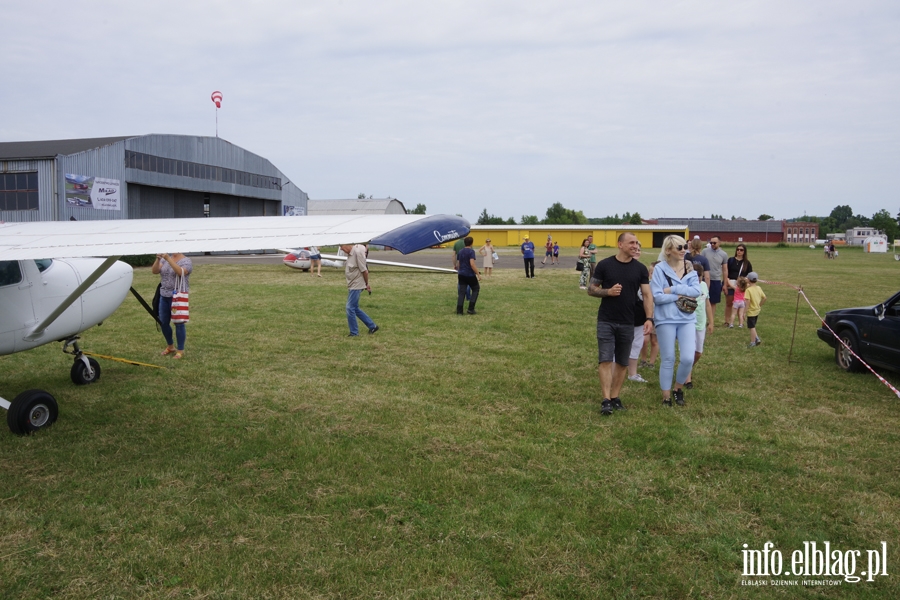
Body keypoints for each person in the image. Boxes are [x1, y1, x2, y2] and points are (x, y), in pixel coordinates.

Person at [588, 232, 653, 416]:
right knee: (606, 359)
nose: (635, 245)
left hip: (628, 321)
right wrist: (608, 292)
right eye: (631, 242)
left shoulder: (640, 268)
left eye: (636, 243)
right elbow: (591, 290)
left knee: (623, 362)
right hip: (606, 320)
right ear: (620, 244)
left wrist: (649, 318)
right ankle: (606, 399)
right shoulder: (605, 265)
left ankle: (615, 397)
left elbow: (647, 295)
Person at [651, 235, 701, 407]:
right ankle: (666, 396)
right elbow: (657, 297)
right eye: (679, 248)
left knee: (688, 357)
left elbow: (696, 291)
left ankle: (678, 388)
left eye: (684, 247)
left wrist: (672, 289)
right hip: (665, 319)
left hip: (687, 317)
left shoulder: (690, 268)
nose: (683, 251)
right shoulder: (659, 269)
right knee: (668, 358)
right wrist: (679, 295)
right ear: (668, 251)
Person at [152, 252, 193, 359]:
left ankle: (180, 350)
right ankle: (170, 346)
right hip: (163, 295)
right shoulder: (164, 259)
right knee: (163, 322)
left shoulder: (186, 261)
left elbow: (180, 272)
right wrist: (158, 259)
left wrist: (168, 259)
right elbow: (155, 271)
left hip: (178, 297)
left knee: (178, 323)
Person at [684, 262, 712, 390]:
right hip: (688, 323)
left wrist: (711, 322)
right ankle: (687, 379)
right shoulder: (685, 287)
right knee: (689, 353)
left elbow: (707, 304)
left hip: (701, 323)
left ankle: (686, 368)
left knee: (698, 353)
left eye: (699, 276)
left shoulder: (704, 286)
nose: (698, 279)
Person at [340, 242, 378, 337]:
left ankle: (354, 333)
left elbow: (365, 271)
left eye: (341, 247)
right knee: (354, 308)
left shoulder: (357, 252)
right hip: (352, 284)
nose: (341, 249)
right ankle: (372, 326)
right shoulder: (351, 254)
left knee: (349, 308)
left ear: (347, 244)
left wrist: (366, 284)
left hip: (356, 285)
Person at [627, 244, 649, 383]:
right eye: (634, 249)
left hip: (639, 313)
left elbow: (647, 295)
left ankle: (632, 373)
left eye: (639, 250)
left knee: (636, 343)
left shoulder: (642, 269)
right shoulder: (621, 268)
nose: (636, 252)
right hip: (623, 312)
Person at [701, 235, 728, 330]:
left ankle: (710, 321)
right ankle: (702, 319)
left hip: (716, 280)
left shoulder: (723, 254)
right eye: (711, 242)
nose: (712, 244)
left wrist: (725, 284)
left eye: (714, 243)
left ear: (719, 243)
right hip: (704, 280)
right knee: (702, 300)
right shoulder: (704, 252)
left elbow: (725, 270)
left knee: (713, 302)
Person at [724, 244, 752, 328]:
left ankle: (740, 323)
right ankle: (727, 321)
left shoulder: (747, 263)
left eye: (741, 250)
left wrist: (744, 283)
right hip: (730, 283)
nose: (739, 251)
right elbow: (726, 272)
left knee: (741, 304)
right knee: (729, 303)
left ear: (744, 252)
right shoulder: (731, 260)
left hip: (741, 286)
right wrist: (726, 284)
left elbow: (749, 275)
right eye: (738, 249)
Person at [639, 262, 660, 369]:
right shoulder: (646, 285)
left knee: (654, 341)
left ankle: (651, 362)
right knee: (644, 340)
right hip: (646, 316)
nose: (653, 274)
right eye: (652, 272)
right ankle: (643, 360)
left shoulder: (662, 286)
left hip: (658, 317)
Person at [456, 236, 481, 314]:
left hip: (461, 274)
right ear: (471, 243)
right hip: (469, 274)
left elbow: (458, 263)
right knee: (476, 288)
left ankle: (459, 310)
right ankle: (471, 308)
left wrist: (459, 271)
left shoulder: (460, 251)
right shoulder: (471, 251)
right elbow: (472, 264)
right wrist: (478, 274)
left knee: (462, 292)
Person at [745, 272, 767, 347]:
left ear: (748, 279)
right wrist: (759, 305)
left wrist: (744, 312)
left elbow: (747, 302)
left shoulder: (748, 290)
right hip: (757, 310)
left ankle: (753, 342)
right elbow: (764, 298)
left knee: (751, 327)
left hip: (751, 311)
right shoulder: (759, 288)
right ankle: (756, 338)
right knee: (753, 326)